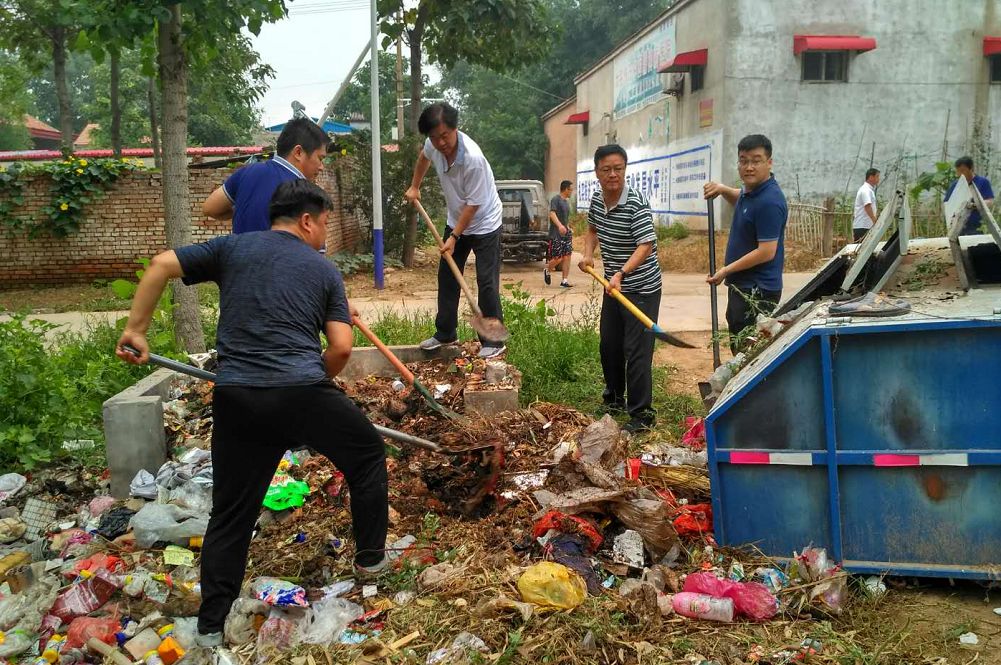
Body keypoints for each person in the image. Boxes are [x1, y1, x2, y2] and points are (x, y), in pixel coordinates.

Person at [115, 180, 389, 649]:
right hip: (303, 393)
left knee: (233, 511)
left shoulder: (231, 248)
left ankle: (208, 626)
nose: (325, 232)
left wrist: (135, 329)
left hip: (237, 395)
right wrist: (307, 382)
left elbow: (161, 263)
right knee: (366, 455)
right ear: (306, 220)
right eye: (324, 223)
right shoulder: (323, 270)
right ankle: (370, 560)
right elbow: (342, 348)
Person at [404, 102, 506, 359]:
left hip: (484, 222)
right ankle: (446, 332)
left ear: (455, 129)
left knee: (486, 281)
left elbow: (474, 205)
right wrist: (415, 186)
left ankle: (493, 341)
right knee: (448, 276)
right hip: (457, 217)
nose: (440, 143)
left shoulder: (473, 159)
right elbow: (423, 158)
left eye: (445, 136)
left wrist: (453, 237)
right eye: (434, 137)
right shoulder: (433, 145)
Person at [579, 145, 661, 433]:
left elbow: (646, 245)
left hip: (641, 288)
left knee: (636, 352)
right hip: (614, 288)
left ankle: (641, 416)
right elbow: (592, 229)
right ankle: (614, 399)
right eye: (606, 169)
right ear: (597, 172)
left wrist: (621, 273)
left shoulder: (635, 203)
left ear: (625, 169)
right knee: (610, 346)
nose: (613, 174)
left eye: (618, 168)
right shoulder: (598, 199)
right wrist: (588, 255)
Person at [703, 134, 788, 354]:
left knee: (749, 354)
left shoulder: (769, 201)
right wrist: (722, 189)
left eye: (756, 160)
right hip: (743, 287)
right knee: (739, 343)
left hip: (757, 292)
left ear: (769, 162)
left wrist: (725, 270)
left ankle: (753, 389)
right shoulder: (751, 193)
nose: (749, 167)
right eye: (743, 160)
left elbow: (766, 252)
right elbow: (740, 197)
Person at [201, 117, 330, 234]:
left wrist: (245, 211)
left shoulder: (247, 172)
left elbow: (210, 208)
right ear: (298, 152)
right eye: (320, 158)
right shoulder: (304, 193)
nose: (321, 167)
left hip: (238, 257)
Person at [944, 156, 995, 235]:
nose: (960, 174)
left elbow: (990, 201)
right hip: (958, 228)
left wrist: (973, 205)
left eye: (963, 171)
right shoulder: (955, 185)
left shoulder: (983, 182)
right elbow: (947, 203)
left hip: (978, 227)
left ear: (971, 169)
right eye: (958, 171)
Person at [544, 180, 574, 288]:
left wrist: (568, 227)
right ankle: (547, 270)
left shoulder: (566, 202)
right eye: (571, 189)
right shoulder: (555, 199)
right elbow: (552, 214)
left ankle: (564, 280)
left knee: (567, 256)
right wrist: (560, 226)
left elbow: (565, 218)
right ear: (566, 189)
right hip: (556, 233)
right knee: (558, 258)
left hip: (566, 233)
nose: (571, 192)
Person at [852, 168, 880, 242]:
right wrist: (874, 220)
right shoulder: (866, 190)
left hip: (866, 225)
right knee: (862, 251)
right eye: (877, 176)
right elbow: (867, 206)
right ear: (871, 177)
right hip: (863, 226)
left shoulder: (869, 190)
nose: (878, 179)